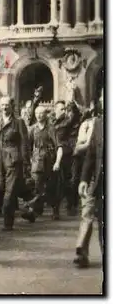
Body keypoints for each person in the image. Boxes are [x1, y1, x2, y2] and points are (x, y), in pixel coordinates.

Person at [75, 91, 104, 268]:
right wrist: (84, 179)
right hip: (99, 180)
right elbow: (91, 154)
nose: (101, 100)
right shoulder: (99, 124)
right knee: (95, 216)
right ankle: (84, 251)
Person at [0, 96, 30, 231]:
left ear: (12, 106)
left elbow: (24, 143)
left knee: (9, 192)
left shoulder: (18, 122)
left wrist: (25, 162)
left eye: (7, 105)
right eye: (2, 105)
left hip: (13, 159)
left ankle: (7, 222)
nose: (4, 107)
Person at [21, 106, 56, 222]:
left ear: (46, 114)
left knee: (49, 187)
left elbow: (57, 145)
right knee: (36, 185)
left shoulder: (51, 128)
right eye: (37, 113)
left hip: (50, 159)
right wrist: (29, 159)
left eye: (41, 113)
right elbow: (27, 146)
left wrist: (57, 160)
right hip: (37, 160)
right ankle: (32, 211)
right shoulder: (32, 129)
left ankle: (50, 210)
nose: (39, 115)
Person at [52, 100, 76, 219]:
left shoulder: (68, 121)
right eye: (61, 109)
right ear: (55, 109)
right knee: (56, 182)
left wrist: (72, 104)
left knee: (65, 181)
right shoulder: (51, 121)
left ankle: (69, 205)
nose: (63, 111)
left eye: (64, 109)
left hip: (65, 154)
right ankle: (56, 208)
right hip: (52, 154)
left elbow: (75, 115)